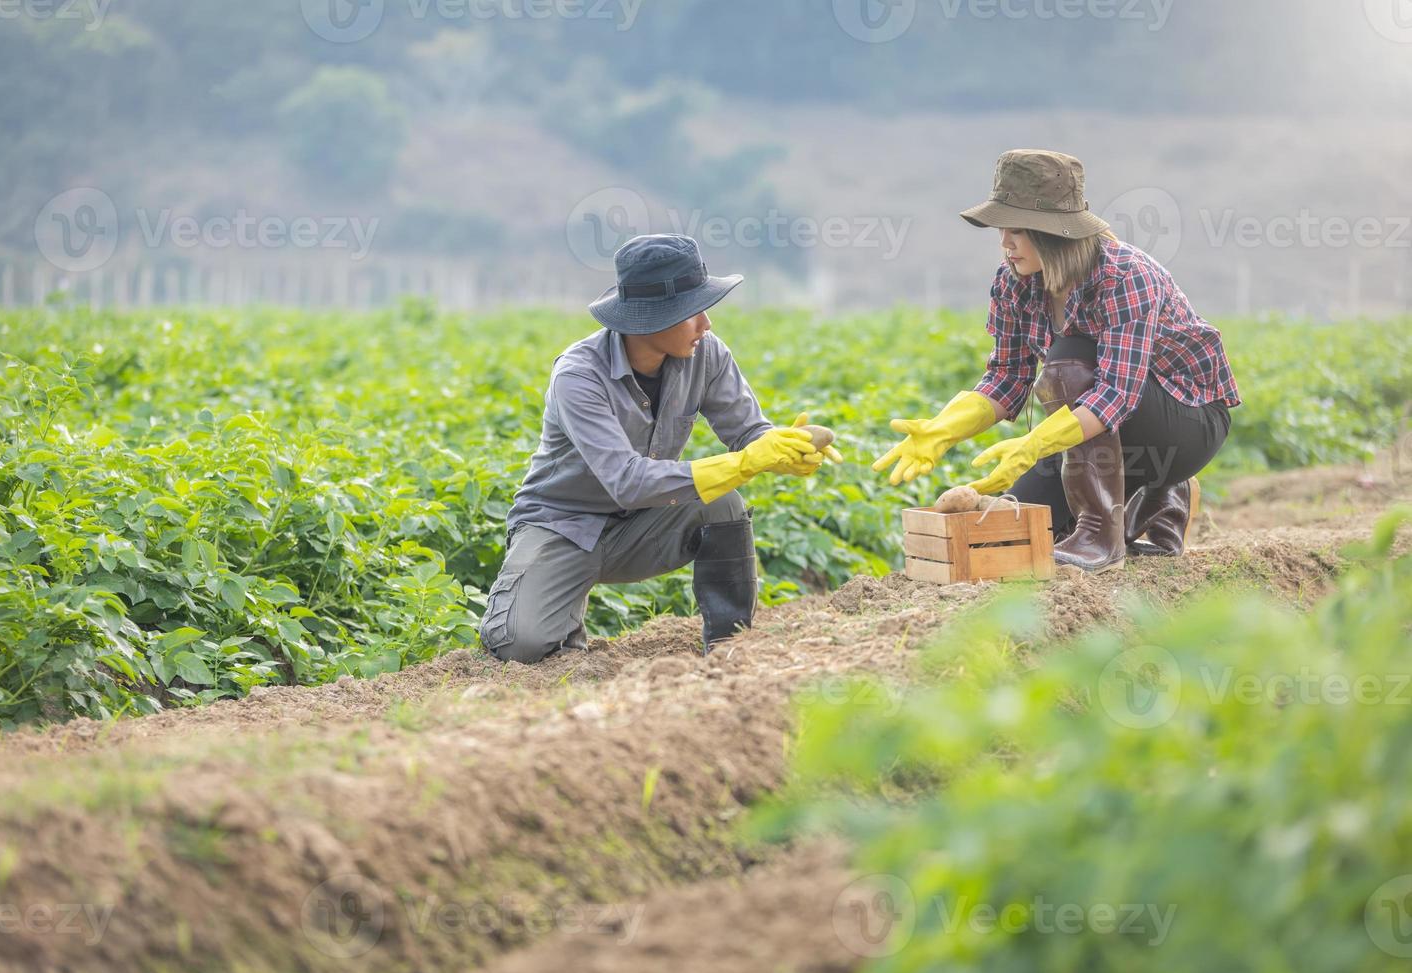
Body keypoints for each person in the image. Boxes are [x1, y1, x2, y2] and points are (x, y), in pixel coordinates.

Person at [481, 234, 843, 663]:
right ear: (650, 320)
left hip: (644, 526)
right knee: (519, 645)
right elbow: (628, 481)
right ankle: (557, 611)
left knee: (721, 506)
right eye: (692, 312)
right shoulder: (578, 377)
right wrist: (746, 462)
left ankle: (731, 646)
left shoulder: (707, 354)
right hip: (563, 526)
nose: (706, 323)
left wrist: (782, 449)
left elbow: (748, 432)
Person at [874, 149, 1241, 573]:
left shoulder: (1125, 276)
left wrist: (1035, 445)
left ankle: (1101, 537)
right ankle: (1159, 497)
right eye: (1001, 229)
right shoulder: (1015, 283)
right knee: (1025, 529)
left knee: (1069, 362)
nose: (1005, 243)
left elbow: (1117, 394)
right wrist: (943, 429)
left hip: (1186, 422)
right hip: (1098, 431)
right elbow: (1007, 378)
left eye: (1017, 230)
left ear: (1053, 233)